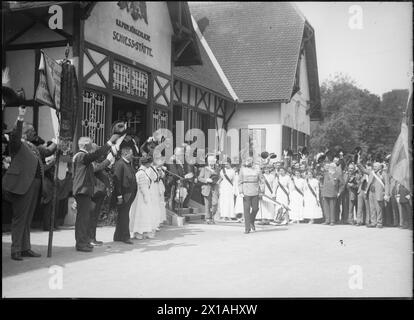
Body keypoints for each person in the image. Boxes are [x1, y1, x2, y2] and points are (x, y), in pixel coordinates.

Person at [3, 106, 57, 260]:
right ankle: (16, 250)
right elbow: (15, 134)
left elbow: (47, 151)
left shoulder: (33, 146)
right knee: (20, 218)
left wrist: (57, 141)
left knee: (28, 218)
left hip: (34, 185)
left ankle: (25, 247)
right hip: (22, 185)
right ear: (25, 133)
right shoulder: (17, 144)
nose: (35, 133)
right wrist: (20, 117)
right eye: (32, 131)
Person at [72, 127, 124, 252]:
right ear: (86, 145)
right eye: (90, 143)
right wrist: (110, 143)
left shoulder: (82, 156)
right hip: (82, 190)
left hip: (84, 190)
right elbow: (96, 155)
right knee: (83, 219)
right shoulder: (81, 155)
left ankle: (84, 241)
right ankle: (81, 243)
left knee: (84, 218)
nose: (92, 145)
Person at [88, 143, 114, 246]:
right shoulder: (90, 161)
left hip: (98, 193)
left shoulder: (96, 161)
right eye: (97, 151)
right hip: (94, 193)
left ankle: (92, 238)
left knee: (94, 217)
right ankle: (90, 238)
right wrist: (108, 160)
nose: (100, 154)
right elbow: (95, 168)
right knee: (92, 217)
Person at [113, 146, 137, 244]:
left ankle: (118, 236)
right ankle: (125, 236)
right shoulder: (120, 164)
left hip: (129, 194)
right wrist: (119, 196)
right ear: (125, 154)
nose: (133, 156)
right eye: (131, 154)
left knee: (123, 215)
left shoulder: (127, 163)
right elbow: (117, 181)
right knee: (124, 216)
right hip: (124, 195)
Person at [358, 162, 390, 228]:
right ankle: (373, 222)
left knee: (379, 209)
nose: (374, 167)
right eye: (374, 166)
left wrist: (386, 194)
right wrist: (358, 163)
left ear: (379, 167)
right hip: (371, 192)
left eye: (376, 166)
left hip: (378, 193)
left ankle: (379, 223)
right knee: (372, 208)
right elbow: (363, 170)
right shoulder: (371, 172)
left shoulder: (383, 174)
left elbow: (387, 184)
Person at [129, 155, 154, 239]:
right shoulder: (142, 173)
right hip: (141, 197)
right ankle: (139, 232)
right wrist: (147, 199)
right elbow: (143, 188)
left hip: (139, 197)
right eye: (150, 163)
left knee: (139, 214)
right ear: (147, 164)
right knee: (141, 213)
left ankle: (139, 232)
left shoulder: (140, 172)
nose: (150, 165)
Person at [238, 156, 264, 233]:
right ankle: (247, 228)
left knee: (256, 208)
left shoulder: (257, 169)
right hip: (246, 191)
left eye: (250, 161)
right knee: (246, 210)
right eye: (247, 161)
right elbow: (239, 181)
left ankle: (251, 221)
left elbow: (262, 180)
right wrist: (241, 191)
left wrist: (261, 191)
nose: (248, 162)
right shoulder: (242, 170)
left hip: (255, 191)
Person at [198, 155, 220, 224]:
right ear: (208, 161)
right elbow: (199, 178)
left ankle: (212, 216)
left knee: (215, 203)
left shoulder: (217, 168)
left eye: (212, 161)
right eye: (210, 161)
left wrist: (219, 181)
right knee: (207, 204)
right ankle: (208, 218)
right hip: (206, 187)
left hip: (215, 187)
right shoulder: (204, 169)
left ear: (214, 161)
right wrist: (206, 180)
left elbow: (219, 177)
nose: (211, 162)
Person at [147, 157, 162, 231]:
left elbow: (159, 177)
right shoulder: (150, 169)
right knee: (153, 205)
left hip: (155, 187)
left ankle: (155, 223)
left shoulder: (155, 169)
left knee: (156, 205)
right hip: (152, 188)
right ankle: (152, 224)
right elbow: (153, 178)